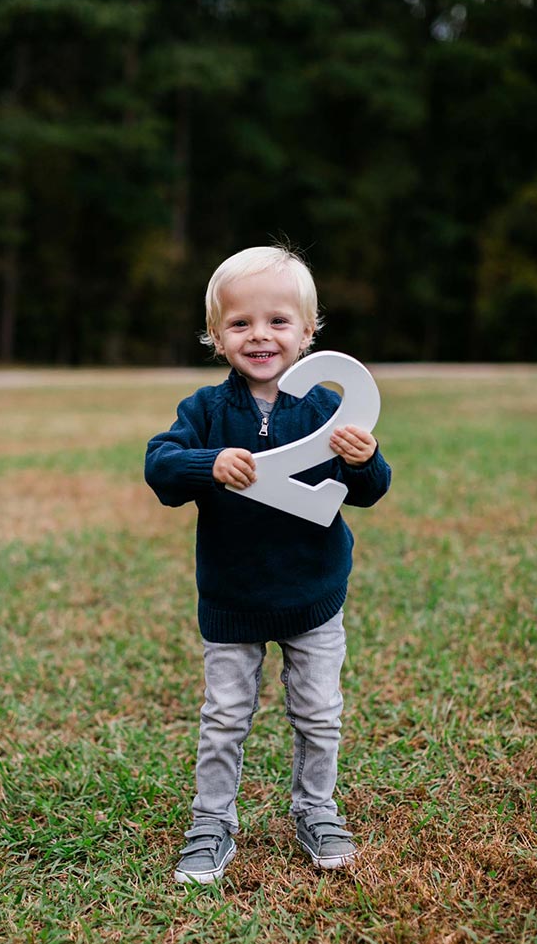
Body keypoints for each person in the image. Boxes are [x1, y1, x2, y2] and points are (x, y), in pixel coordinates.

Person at [144, 245, 392, 885]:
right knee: (225, 716)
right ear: (215, 335)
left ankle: (316, 810)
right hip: (232, 599)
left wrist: (364, 459)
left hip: (312, 596)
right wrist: (209, 463)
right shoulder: (204, 412)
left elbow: (368, 491)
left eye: (279, 321)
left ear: (309, 333)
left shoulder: (327, 413)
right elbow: (161, 469)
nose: (260, 336)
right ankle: (211, 822)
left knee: (318, 712)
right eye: (240, 323)